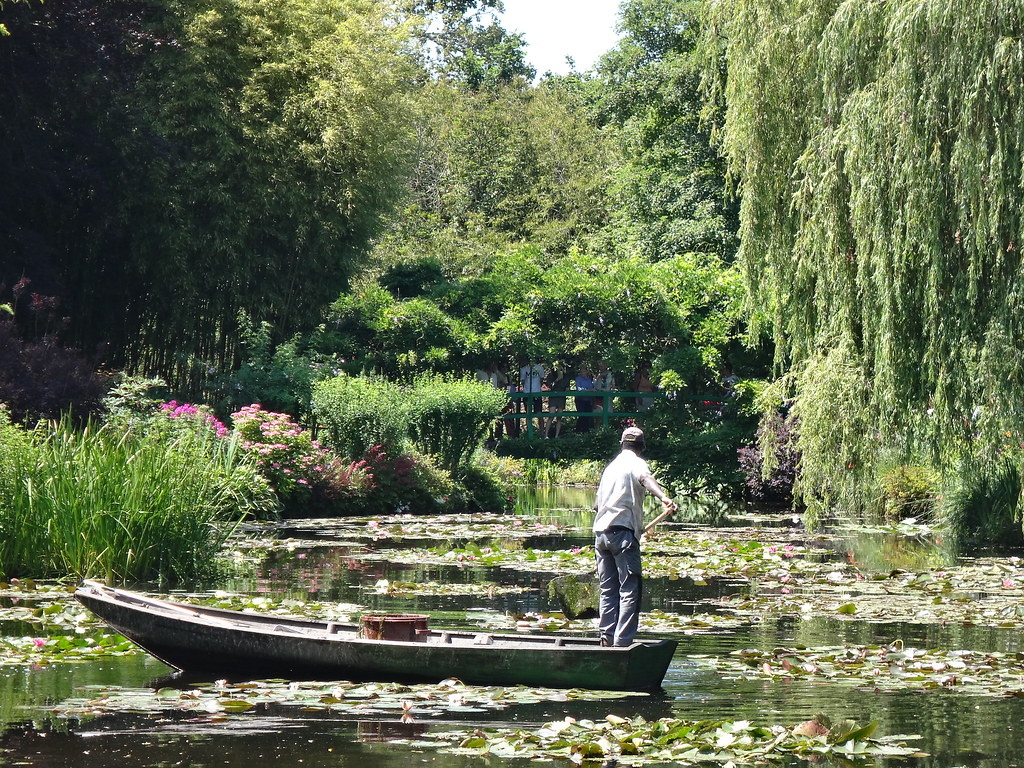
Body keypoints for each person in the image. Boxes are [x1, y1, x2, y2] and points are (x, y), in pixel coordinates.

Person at [592, 427, 678, 647]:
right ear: (641, 447)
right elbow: (646, 479)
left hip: (601, 535)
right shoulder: (637, 463)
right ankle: (623, 643)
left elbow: (596, 505)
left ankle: (606, 638)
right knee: (630, 590)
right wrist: (664, 498)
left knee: (608, 590)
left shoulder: (610, 468)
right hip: (622, 535)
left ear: (622, 444)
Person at [544, 365, 572, 438]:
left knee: (559, 417)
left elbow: (567, 388)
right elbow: (549, 386)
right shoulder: (551, 376)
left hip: (561, 398)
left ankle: (557, 435)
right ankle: (546, 435)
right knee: (551, 416)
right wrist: (557, 379)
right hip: (553, 397)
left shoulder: (566, 377)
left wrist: (567, 390)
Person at [573, 364, 595, 432]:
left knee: (588, 416)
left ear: (586, 371)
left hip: (588, 400)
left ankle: (586, 432)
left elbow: (592, 388)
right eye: (581, 371)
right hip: (580, 400)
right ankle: (578, 431)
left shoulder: (589, 379)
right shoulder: (578, 379)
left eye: (584, 371)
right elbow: (579, 389)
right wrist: (589, 390)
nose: (583, 373)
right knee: (582, 415)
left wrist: (589, 390)